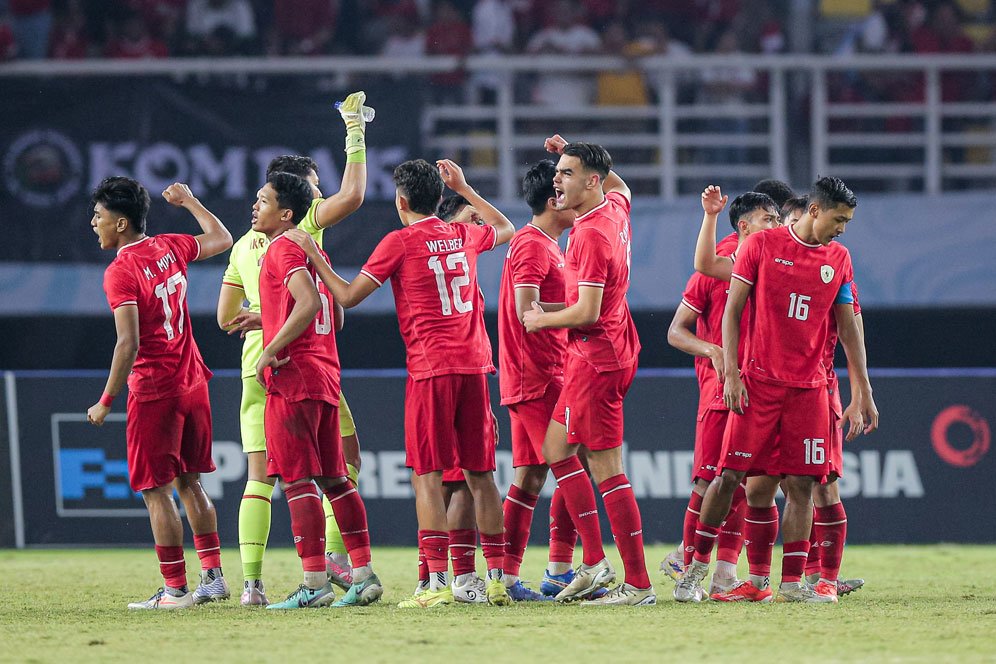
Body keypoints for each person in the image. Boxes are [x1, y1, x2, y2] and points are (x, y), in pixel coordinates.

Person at [286, 158, 515, 608]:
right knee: (481, 476)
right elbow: (504, 226)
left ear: (402, 201)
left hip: (431, 369)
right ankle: (496, 579)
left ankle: (433, 584)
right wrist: (466, 189)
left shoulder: (400, 242)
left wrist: (313, 253)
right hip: (474, 366)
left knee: (427, 478)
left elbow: (349, 295)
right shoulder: (463, 234)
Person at [675, 176, 879, 603]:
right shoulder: (761, 246)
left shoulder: (839, 258)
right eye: (838, 219)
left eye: (848, 221)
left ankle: (790, 585)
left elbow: (849, 327)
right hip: (759, 384)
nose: (842, 228)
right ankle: (694, 569)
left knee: (803, 485)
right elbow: (732, 311)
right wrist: (731, 372)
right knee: (730, 476)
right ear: (815, 211)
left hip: (808, 390)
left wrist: (864, 389)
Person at [217, 93, 370, 605]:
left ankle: (254, 584)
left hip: (265, 365)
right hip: (303, 362)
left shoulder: (244, 246)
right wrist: (354, 130)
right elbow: (352, 195)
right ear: (298, 197)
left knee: (266, 478)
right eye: (315, 187)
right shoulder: (302, 232)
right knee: (341, 467)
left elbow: (225, 319)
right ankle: (339, 566)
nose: (322, 194)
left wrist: (265, 326)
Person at [86, 177, 234, 609]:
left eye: (99, 217)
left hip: (155, 390)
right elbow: (222, 238)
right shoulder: (169, 246)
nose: (93, 223)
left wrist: (106, 400)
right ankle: (213, 577)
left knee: (156, 491)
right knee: (192, 482)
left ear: (121, 223)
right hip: (193, 382)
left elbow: (127, 343)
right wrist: (190, 202)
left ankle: (175, 590)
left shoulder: (120, 270)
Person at [522, 136, 654, 606]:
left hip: (597, 355)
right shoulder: (614, 206)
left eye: (567, 173)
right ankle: (596, 563)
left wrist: (541, 318)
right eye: (558, 172)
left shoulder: (589, 234)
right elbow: (624, 186)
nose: (556, 181)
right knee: (559, 448)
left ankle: (632, 582)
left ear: (591, 181)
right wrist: (572, 148)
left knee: (604, 467)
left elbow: (588, 312)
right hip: (612, 347)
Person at [252, 171, 381, 610]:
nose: (255, 205)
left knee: (296, 480)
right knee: (336, 480)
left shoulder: (281, 247)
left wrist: (271, 348)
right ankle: (362, 575)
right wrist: (270, 318)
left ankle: (313, 583)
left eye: (263, 200)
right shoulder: (311, 248)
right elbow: (333, 316)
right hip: (325, 375)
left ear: (285, 213)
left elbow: (306, 303)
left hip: (294, 379)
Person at [660, 188, 778, 595]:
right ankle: (690, 563)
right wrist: (713, 350)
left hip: (761, 384)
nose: (778, 226)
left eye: (780, 219)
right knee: (708, 481)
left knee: (745, 481)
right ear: (745, 224)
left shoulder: (773, 267)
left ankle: (725, 574)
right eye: (770, 218)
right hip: (719, 387)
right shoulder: (719, 268)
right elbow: (675, 331)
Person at [498, 159, 577, 602]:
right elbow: (526, 312)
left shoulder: (549, 243)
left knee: (530, 476)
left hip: (547, 371)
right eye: (565, 191)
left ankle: (508, 577)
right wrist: (581, 314)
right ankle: (561, 568)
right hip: (537, 375)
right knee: (574, 465)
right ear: (552, 201)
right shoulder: (532, 245)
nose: (575, 200)